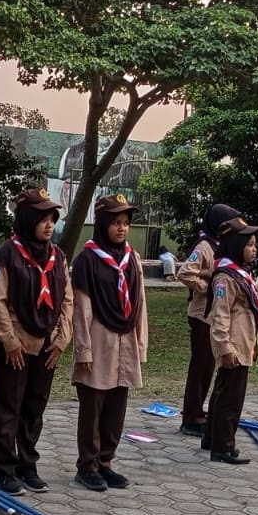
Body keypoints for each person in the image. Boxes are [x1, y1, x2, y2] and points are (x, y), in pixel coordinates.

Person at [0, 188, 73, 494]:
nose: (49, 225)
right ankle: (4, 469)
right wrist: (9, 341)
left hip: (47, 343)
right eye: (42, 218)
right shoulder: (5, 256)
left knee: (35, 407)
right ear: (26, 219)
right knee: (10, 406)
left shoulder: (57, 256)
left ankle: (27, 464)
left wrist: (62, 339)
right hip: (16, 345)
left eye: (52, 218)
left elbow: (67, 300)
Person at [69, 193, 148, 491]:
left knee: (117, 405)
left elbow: (139, 302)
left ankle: (106, 462)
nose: (121, 228)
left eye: (126, 223)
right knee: (93, 406)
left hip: (125, 340)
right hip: (99, 340)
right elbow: (81, 309)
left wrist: (140, 343)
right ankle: (86, 465)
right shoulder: (88, 259)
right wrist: (83, 349)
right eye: (115, 222)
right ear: (102, 223)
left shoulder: (131, 258)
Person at [175, 204, 242, 438]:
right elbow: (184, 272)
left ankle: (198, 411)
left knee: (208, 367)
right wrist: (204, 286)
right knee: (200, 367)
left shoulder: (221, 246)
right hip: (201, 315)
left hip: (214, 315)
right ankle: (190, 417)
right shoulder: (204, 246)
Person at [202, 216, 258, 465]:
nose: (254, 249)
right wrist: (225, 348)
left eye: (255, 244)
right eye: (249, 244)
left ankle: (211, 437)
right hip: (233, 346)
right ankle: (222, 447)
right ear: (236, 246)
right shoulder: (226, 277)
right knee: (230, 400)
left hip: (242, 342)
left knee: (222, 394)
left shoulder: (239, 273)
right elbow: (220, 316)